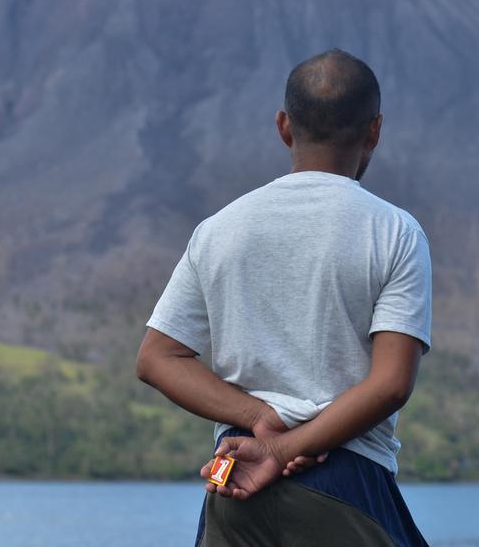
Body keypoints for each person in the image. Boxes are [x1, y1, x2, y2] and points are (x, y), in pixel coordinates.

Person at [135, 49, 432, 547]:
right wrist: (285, 447)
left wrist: (256, 420)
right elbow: (390, 384)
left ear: (284, 126)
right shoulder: (394, 231)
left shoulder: (220, 229)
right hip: (342, 477)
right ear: (374, 130)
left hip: (233, 480)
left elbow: (156, 358)